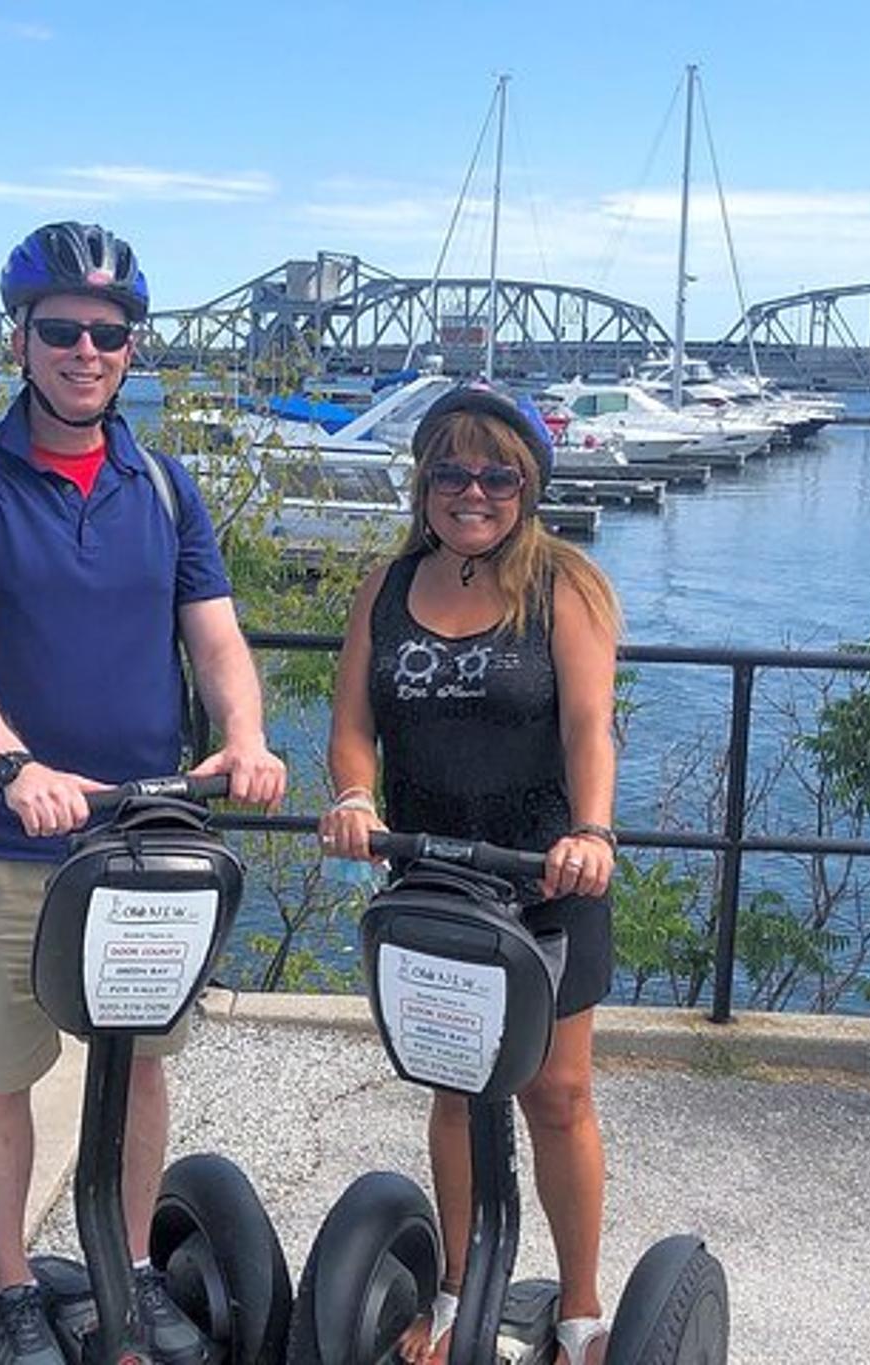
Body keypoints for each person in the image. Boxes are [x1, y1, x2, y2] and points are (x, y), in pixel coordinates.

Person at [0, 221, 286, 1365]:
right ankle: (14, 1284)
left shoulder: (162, 485)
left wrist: (247, 736)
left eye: (106, 336)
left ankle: (123, 1273)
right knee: (1, 1068)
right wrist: (13, 770)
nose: (83, 352)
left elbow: (213, 639)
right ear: (19, 340)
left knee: (140, 1064)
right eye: (59, 330)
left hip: (146, 830)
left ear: (130, 351)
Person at [318, 381, 623, 1365]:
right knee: (455, 1087)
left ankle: (577, 1308)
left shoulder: (561, 587)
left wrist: (591, 831)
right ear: (423, 482)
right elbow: (352, 729)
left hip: (542, 876)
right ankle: (455, 1294)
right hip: (431, 878)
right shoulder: (387, 586)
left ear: (527, 485)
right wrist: (356, 800)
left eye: (497, 473)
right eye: (450, 470)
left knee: (557, 1094)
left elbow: (587, 726)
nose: (472, 490)